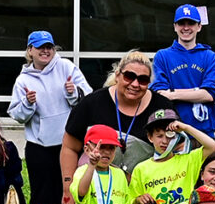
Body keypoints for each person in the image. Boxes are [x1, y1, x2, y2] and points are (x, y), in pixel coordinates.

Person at [8, 31, 88, 204]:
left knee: (71, 194)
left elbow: (87, 96)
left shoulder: (66, 67)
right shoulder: (23, 80)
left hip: (70, 146)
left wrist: (73, 92)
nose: (45, 51)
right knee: (42, 196)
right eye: (40, 47)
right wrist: (28, 104)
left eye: (49, 47)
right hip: (39, 148)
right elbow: (18, 115)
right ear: (30, 50)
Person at [62, 50, 162, 180]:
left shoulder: (161, 107)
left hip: (141, 193)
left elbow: (176, 149)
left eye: (143, 80)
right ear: (117, 75)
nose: (135, 84)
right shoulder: (91, 103)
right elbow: (70, 147)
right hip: (92, 190)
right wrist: (67, 185)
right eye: (129, 76)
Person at [151, 5, 215, 138]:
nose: (186, 28)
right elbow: (160, 94)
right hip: (172, 132)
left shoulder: (209, 56)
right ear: (175, 26)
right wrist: (198, 92)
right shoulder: (162, 56)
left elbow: (211, 94)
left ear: (199, 26)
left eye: (191, 23)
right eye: (181, 23)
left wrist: (173, 94)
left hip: (203, 133)